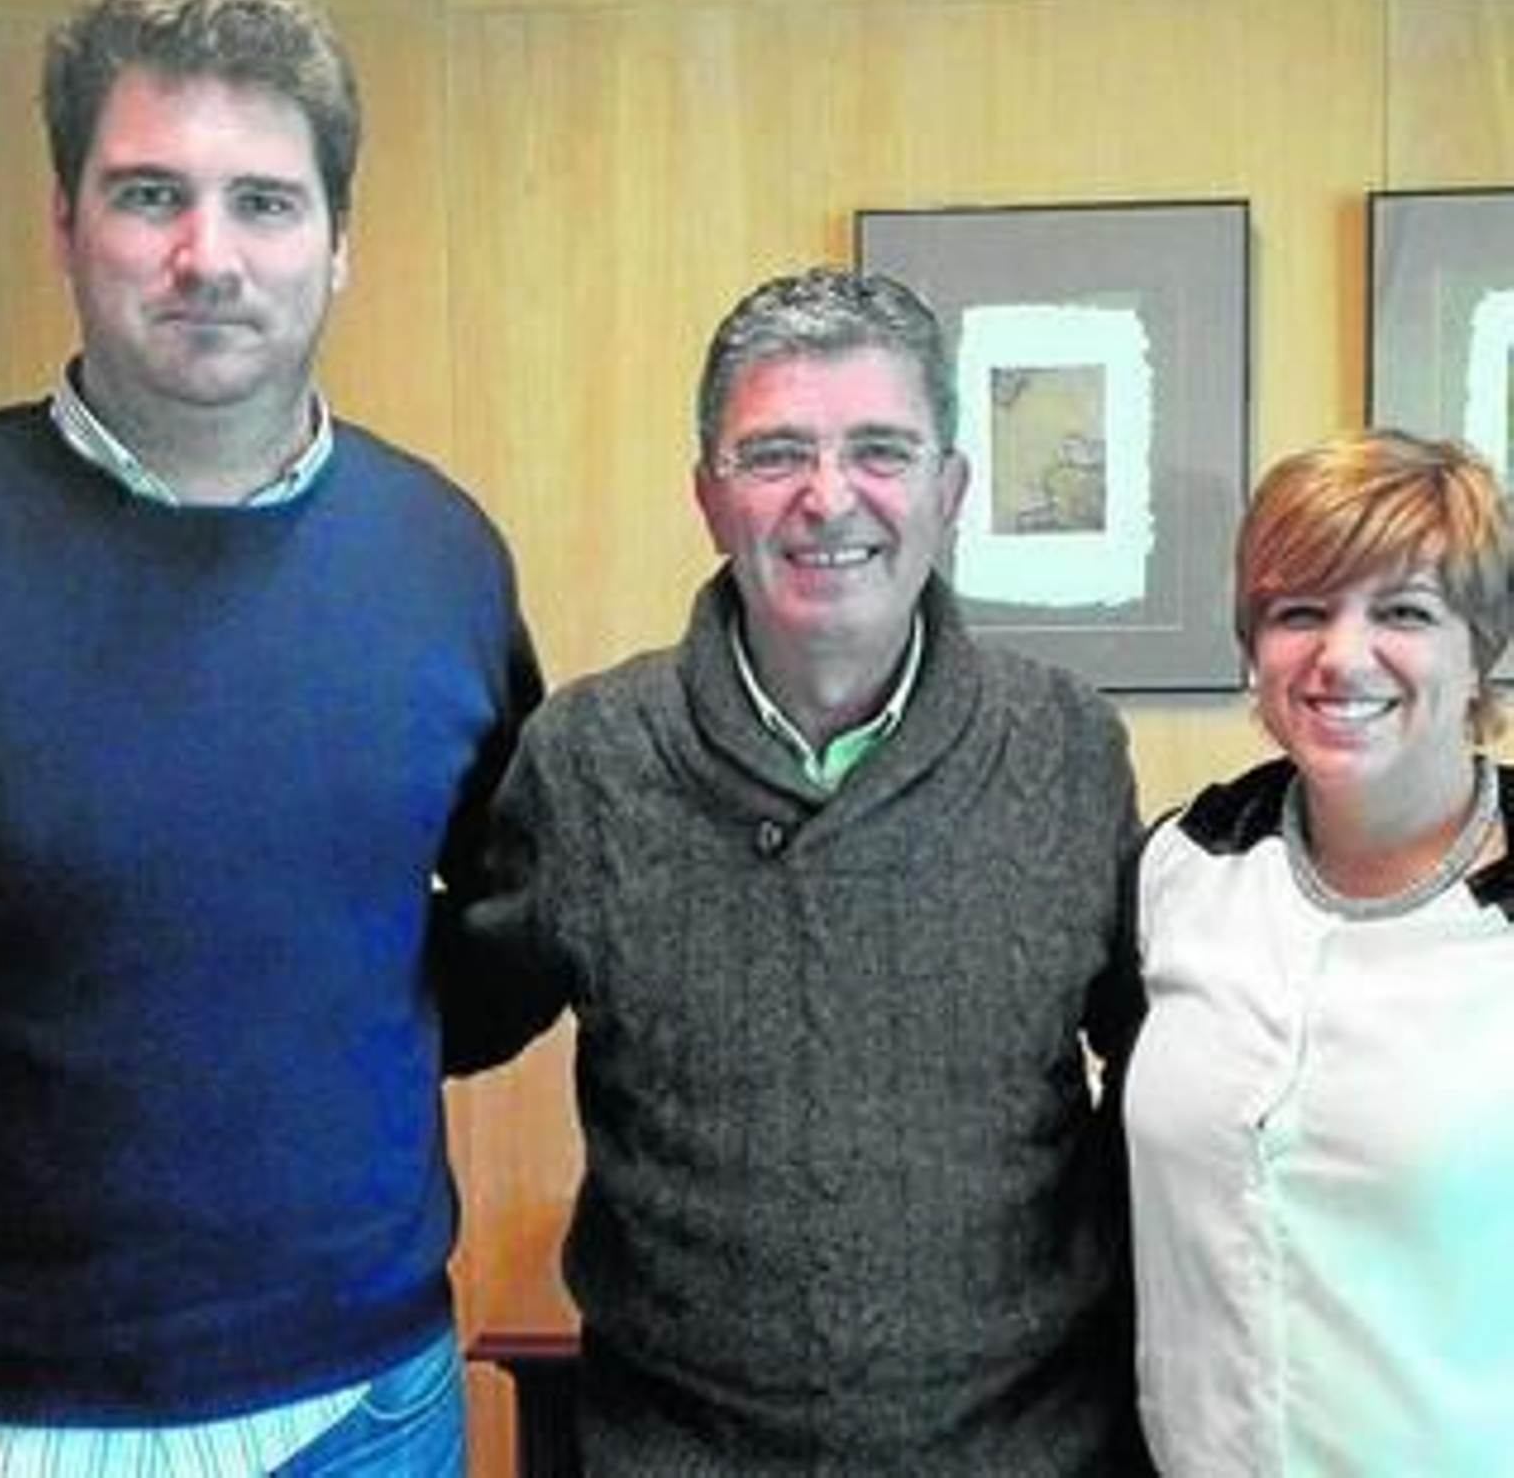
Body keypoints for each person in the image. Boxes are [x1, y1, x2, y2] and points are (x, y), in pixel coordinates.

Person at [0, 0, 540, 1474]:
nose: (209, 255)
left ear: (338, 241)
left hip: (359, 1409)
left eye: (264, 200)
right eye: (150, 195)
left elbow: (510, 927)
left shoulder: (441, 555)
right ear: (65, 222)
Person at [444, 267, 1150, 1474]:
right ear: (708, 499)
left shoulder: (1065, 748)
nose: (828, 497)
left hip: (1029, 1450)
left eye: (880, 449)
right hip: (676, 1456)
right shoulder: (590, 757)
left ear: (948, 490)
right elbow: (439, 1013)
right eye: (774, 455)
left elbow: (1170, 1067)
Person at [1124, 429, 1514, 1475]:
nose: (1342, 656)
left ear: (1479, 647)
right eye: (1299, 611)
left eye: (1404, 612)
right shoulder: (1179, 868)